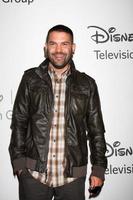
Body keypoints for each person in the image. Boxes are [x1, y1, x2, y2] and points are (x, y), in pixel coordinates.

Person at [9, 24, 107, 200]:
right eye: (53, 44)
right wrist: (19, 164)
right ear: (46, 47)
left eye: (65, 44)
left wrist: (99, 169)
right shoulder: (30, 79)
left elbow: (96, 131)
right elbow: (19, 121)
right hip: (33, 176)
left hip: (72, 178)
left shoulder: (87, 84)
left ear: (73, 48)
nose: (58, 50)